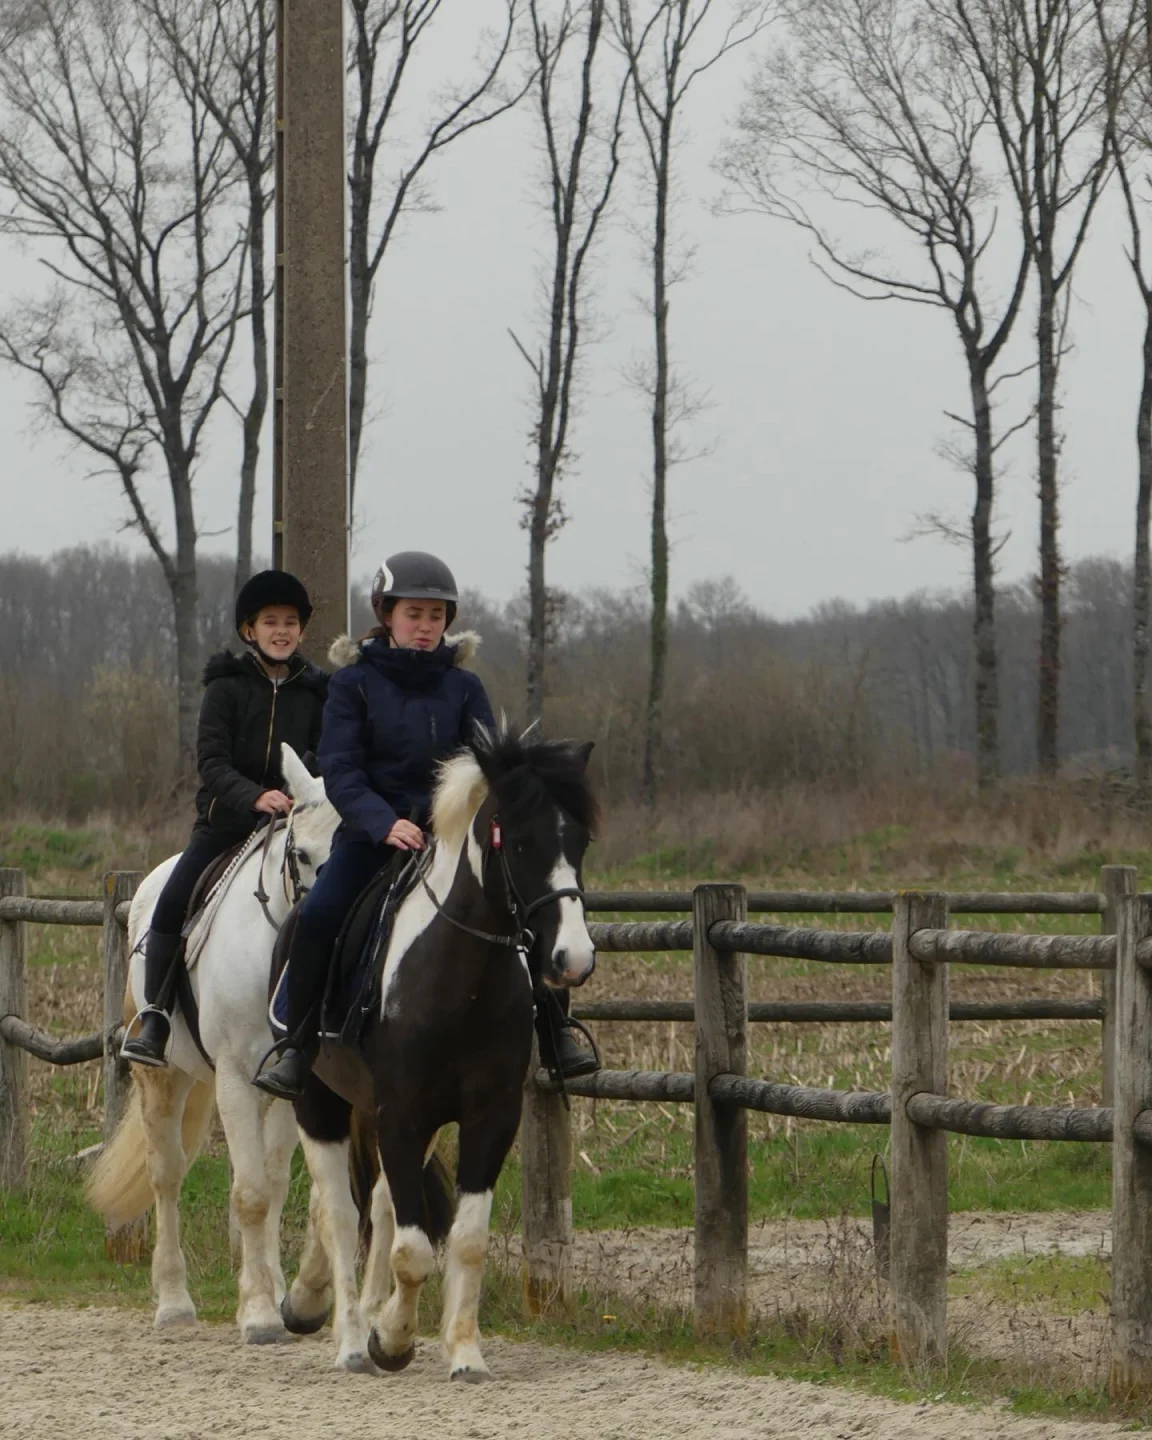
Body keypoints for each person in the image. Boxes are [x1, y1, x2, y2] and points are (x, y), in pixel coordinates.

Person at [252, 549, 599, 1100]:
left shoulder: (466, 689)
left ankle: (556, 1031)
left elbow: (488, 768)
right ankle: (296, 1045)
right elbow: (340, 771)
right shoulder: (352, 685)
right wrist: (384, 823)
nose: (425, 626)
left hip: (452, 840)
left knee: (528, 907)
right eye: (414, 614)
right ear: (386, 614)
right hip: (375, 837)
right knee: (316, 916)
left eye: (436, 617)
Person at [122, 570, 328, 1067]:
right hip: (226, 824)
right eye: (270, 622)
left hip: (297, 826)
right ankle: (155, 1017)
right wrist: (255, 797)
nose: (282, 631)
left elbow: (323, 758)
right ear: (249, 631)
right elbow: (211, 763)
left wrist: (299, 796)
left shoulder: (319, 692)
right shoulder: (225, 688)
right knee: (172, 900)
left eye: (291, 622)